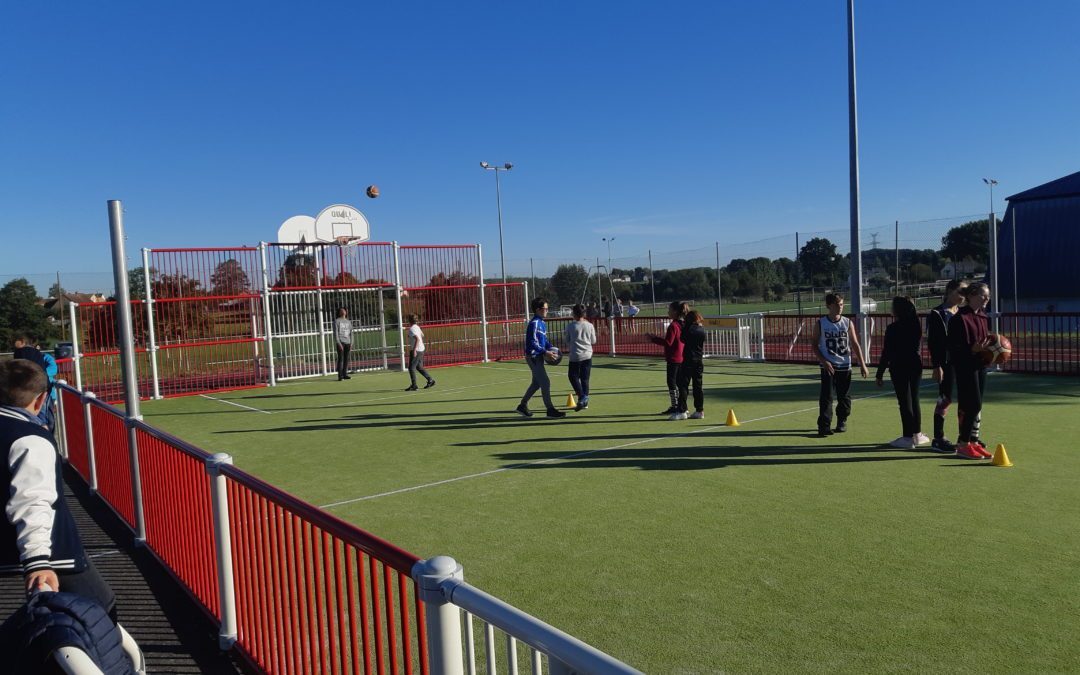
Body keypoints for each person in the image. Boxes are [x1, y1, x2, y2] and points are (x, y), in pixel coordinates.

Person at [0, 359, 117, 620]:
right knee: (101, 608)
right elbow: (32, 501)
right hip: (47, 553)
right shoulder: (29, 438)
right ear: (41, 400)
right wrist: (37, 561)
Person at [947, 282, 994, 460]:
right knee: (971, 404)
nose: (987, 298)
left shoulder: (982, 316)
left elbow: (983, 343)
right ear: (972, 295)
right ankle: (963, 444)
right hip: (965, 366)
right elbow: (953, 347)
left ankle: (973, 442)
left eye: (988, 295)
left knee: (977, 404)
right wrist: (971, 350)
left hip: (980, 365)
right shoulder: (959, 319)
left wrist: (993, 349)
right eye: (983, 295)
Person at [875, 297, 930, 449]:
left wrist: (879, 373)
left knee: (904, 402)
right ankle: (917, 434)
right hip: (915, 365)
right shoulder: (915, 325)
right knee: (914, 399)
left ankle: (907, 437)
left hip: (899, 366)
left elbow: (886, 352)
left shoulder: (893, 328)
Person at [812, 293, 869, 436]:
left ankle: (842, 420)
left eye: (842, 304)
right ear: (829, 306)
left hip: (845, 365)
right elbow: (814, 344)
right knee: (827, 396)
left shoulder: (847, 322)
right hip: (828, 366)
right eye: (837, 304)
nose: (840, 307)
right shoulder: (821, 323)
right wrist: (824, 361)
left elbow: (855, 344)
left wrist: (862, 364)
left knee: (844, 397)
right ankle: (824, 425)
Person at [926, 279, 968, 452]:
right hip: (946, 362)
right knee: (945, 398)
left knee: (965, 400)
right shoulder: (937, 313)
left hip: (962, 362)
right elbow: (933, 342)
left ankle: (965, 437)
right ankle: (938, 437)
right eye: (961, 292)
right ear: (950, 291)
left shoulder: (962, 312)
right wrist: (937, 365)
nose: (963, 296)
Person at [516, 298, 565, 418]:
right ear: (538, 310)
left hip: (538, 356)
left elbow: (544, 341)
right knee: (545, 382)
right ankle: (550, 410)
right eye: (545, 309)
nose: (547, 311)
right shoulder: (534, 323)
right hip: (533, 356)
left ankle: (522, 406)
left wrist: (552, 348)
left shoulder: (542, 323)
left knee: (536, 383)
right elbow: (532, 342)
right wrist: (545, 352)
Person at [649, 301, 686, 415]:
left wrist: (653, 338)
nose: (668, 312)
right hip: (682, 356)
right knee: (681, 383)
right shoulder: (683, 324)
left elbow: (668, 342)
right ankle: (683, 405)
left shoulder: (673, 325)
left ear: (675, 312)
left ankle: (675, 406)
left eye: (669, 310)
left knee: (672, 383)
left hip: (673, 358)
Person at [671, 309, 706, 420]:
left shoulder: (689, 329)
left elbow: (683, 338)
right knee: (698, 386)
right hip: (699, 361)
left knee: (683, 385)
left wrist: (686, 326)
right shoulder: (702, 330)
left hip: (688, 360)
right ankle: (699, 410)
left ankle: (682, 410)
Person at [564, 304, 597, 411]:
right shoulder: (590, 325)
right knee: (585, 379)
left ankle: (582, 397)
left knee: (572, 377)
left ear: (574, 313)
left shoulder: (570, 326)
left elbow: (567, 340)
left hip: (575, 356)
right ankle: (585, 402)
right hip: (587, 355)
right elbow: (593, 341)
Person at [405, 314, 435, 391]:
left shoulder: (412, 329)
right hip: (421, 349)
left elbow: (418, 339)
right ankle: (430, 380)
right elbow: (422, 335)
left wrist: (414, 350)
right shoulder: (417, 327)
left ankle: (414, 386)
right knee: (419, 367)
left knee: (411, 368)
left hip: (417, 350)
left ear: (409, 321)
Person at [333, 307, 352, 381]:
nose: (343, 311)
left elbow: (351, 333)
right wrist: (338, 343)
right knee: (341, 359)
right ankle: (340, 376)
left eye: (344, 310)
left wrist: (351, 343)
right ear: (339, 313)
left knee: (346, 359)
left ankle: (345, 374)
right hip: (341, 342)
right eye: (341, 310)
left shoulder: (348, 322)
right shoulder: (337, 321)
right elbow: (336, 333)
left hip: (348, 342)